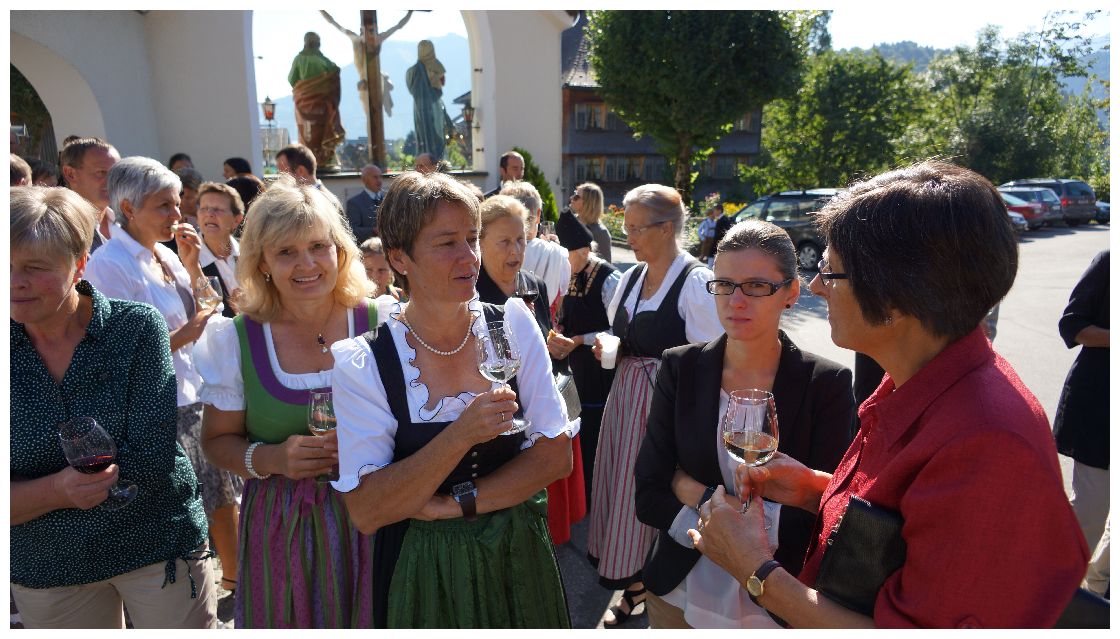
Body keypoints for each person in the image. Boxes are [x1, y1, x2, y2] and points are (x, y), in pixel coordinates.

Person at [691, 161, 1088, 628]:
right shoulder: (917, 377)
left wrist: (753, 569)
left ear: (895, 296)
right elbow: (911, 528)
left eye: (830, 272)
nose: (816, 287)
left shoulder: (987, 445)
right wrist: (816, 490)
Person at [330, 171, 573, 628]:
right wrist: (461, 435)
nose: (470, 257)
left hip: (517, 554)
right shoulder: (365, 362)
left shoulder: (512, 324)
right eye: (446, 243)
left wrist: (457, 503)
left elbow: (556, 457)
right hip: (423, 569)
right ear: (399, 257)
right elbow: (367, 510)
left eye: (472, 238)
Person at [634, 220, 856, 628]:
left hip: (776, 602)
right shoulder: (681, 366)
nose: (736, 301)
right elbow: (648, 490)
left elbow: (828, 512)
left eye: (756, 286)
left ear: (791, 292)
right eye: (724, 284)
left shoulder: (826, 383)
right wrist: (714, 529)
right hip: (679, 590)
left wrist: (692, 490)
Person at [10, 186, 215, 628]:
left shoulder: (133, 328)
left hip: (154, 545)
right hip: (49, 565)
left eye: (34, 267)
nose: (14, 281)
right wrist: (58, 490)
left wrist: (31, 495)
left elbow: (151, 457)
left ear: (80, 264)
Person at [195, 174, 378, 628]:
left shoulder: (383, 322)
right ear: (261, 262)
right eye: (286, 252)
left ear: (340, 251)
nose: (307, 264)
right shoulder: (236, 339)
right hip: (283, 524)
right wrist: (273, 458)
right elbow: (216, 441)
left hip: (378, 511)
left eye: (318, 246)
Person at [83, 156, 244, 599]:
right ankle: (191, 592)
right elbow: (117, 353)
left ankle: (234, 581)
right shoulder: (108, 264)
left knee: (222, 496)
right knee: (185, 505)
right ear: (128, 208)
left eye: (177, 203)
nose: (177, 214)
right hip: (158, 403)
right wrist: (185, 334)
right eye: (164, 206)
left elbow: (211, 306)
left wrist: (192, 267)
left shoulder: (167, 254)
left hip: (197, 389)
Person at [585, 183, 723, 624]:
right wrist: (610, 346)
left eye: (636, 228)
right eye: (625, 227)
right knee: (623, 488)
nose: (628, 237)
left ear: (666, 229)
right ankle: (633, 583)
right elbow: (624, 335)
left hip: (667, 406)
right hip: (625, 399)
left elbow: (711, 361)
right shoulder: (631, 278)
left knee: (654, 490)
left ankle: (652, 585)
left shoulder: (694, 282)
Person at [474, 195, 586, 546]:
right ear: (479, 244)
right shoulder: (471, 293)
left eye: (521, 240)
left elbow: (543, 335)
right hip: (500, 426)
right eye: (504, 242)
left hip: (542, 415)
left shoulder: (533, 284)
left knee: (547, 528)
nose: (516, 250)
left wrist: (555, 344)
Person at [551, 208, 620, 504]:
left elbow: (618, 328)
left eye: (566, 256)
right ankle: (581, 493)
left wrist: (580, 339)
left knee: (596, 430)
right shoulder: (568, 274)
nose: (563, 263)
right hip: (574, 368)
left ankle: (598, 493)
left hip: (600, 368)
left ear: (582, 251)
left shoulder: (609, 278)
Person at [1052, 250, 1109, 587]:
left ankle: (1098, 587)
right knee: (1092, 511)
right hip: (1100, 412)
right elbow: (1072, 325)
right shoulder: (1109, 263)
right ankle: (1059, 588)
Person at [319, 9, 414, 121]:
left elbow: (398, 26)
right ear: (363, 30)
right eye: (370, 30)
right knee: (369, 111)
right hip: (364, 79)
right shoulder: (356, 40)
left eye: (374, 30)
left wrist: (410, 12)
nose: (372, 33)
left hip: (376, 78)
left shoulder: (378, 39)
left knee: (376, 110)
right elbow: (334, 23)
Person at [503, 181, 571, 310]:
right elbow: (558, 305)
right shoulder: (558, 254)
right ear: (538, 215)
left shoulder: (491, 250)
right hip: (543, 321)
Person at [288, 31, 345, 171]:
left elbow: (292, 79)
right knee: (323, 130)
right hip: (323, 106)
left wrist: (304, 88)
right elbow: (335, 72)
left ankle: (308, 161)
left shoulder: (299, 59)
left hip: (304, 104)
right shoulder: (324, 60)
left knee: (306, 132)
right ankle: (326, 160)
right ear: (318, 43)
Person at [60, 137, 121, 251]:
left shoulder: (129, 224)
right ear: (70, 174)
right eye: (101, 172)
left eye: (116, 173)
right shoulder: (59, 231)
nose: (111, 181)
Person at [196, 182, 246, 318]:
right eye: (204, 208)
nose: (209, 214)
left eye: (218, 209)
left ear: (237, 219)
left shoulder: (251, 254)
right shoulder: (185, 260)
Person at [405, 40, 454, 161]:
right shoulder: (436, 66)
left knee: (423, 134)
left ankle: (426, 160)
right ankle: (435, 161)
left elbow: (410, 87)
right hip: (434, 107)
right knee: (435, 135)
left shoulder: (412, 71)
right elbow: (442, 82)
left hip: (419, 109)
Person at [276, 143, 343, 212]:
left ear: (301, 171)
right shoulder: (292, 200)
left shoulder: (329, 204)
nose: (279, 178)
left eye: (283, 173)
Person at [569, 181, 612, 264]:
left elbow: (606, 268)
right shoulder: (571, 222)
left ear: (588, 203)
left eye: (576, 196)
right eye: (574, 194)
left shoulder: (601, 233)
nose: (571, 198)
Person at [346, 164, 384, 242]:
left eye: (380, 177)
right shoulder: (354, 203)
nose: (379, 180)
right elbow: (352, 230)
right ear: (364, 180)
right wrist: (373, 231)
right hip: (366, 247)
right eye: (375, 177)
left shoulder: (390, 200)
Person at [359, 236, 405, 301]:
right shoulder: (351, 301)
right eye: (368, 270)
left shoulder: (402, 299)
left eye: (382, 270)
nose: (375, 277)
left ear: (392, 271)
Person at [696, 203, 721, 268]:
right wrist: (702, 238)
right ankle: (699, 263)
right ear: (709, 215)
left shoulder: (715, 222)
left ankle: (709, 264)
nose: (714, 215)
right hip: (706, 239)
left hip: (713, 239)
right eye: (712, 214)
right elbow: (699, 230)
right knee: (703, 252)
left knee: (711, 253)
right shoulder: (705, 222)